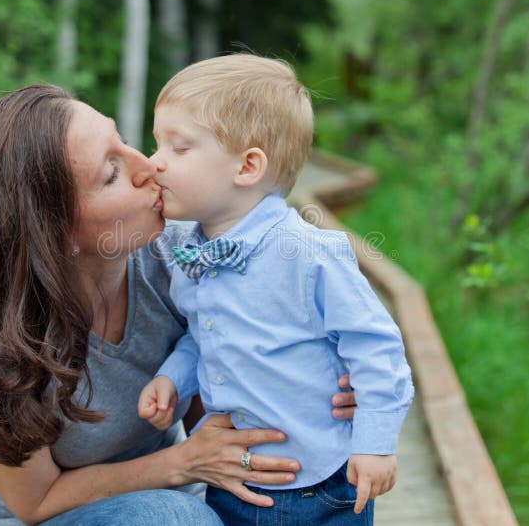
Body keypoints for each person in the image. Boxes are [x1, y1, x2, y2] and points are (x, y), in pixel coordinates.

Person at [0, 84, 359, 526]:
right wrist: (181, 462)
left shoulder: (182, 255)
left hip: (183, 496)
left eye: (122, 140)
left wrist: (325, 376)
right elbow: (35, 502)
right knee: (177, 519)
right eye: (111, 173)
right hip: (69, 516)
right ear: (50, 234)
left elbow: (231, 393)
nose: (148, 166)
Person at [137, 54, 415, 524]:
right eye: (156, 144)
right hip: (236, 480)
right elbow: (205, 333)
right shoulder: (192, 251)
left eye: (178, 148)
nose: (153, 163)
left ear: (247, 166)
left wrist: (375, 443)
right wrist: (172, 377)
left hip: (325, 482)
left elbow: (376, 345)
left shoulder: (307, 254)